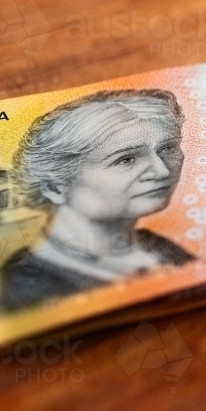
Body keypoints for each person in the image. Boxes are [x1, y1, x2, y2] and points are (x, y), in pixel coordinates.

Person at [0, 89, 194, 312]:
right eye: (127, 159)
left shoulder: (158, 247)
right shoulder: (24, 288)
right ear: (54, 187)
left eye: (167, 148)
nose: (161, 171)